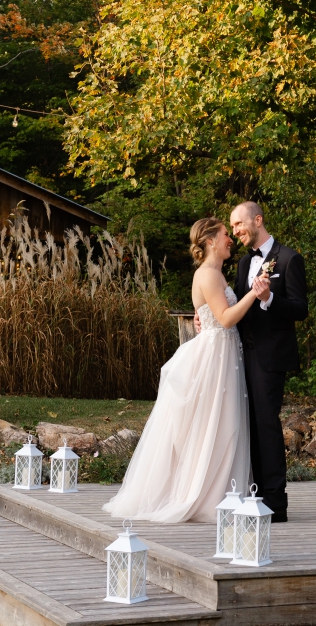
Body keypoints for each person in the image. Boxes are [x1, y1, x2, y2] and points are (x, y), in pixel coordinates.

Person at [104, 217, 267, 523]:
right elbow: (226, 318)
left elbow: (213, 314)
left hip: (225, 353)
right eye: (224, 234)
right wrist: (254, 294)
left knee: (221, 423)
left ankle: (219, 491)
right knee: (214, 422)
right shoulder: (208, 275)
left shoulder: (215, 274)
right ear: (210, 241)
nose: (230, 239)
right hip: (215, 357)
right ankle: (205, 496)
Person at [229, 201, 308, 522]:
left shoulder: (289, 259)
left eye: (238, 224)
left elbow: (300, 309)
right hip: (239, 355)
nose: (235, 231)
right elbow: (233, 306)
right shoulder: (241, 264)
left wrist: (269, 298)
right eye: (232, 227)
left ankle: (275, 504)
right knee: (247, 424)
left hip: (270, 356)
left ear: (257, 220)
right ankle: (254, 496)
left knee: (266, 424)